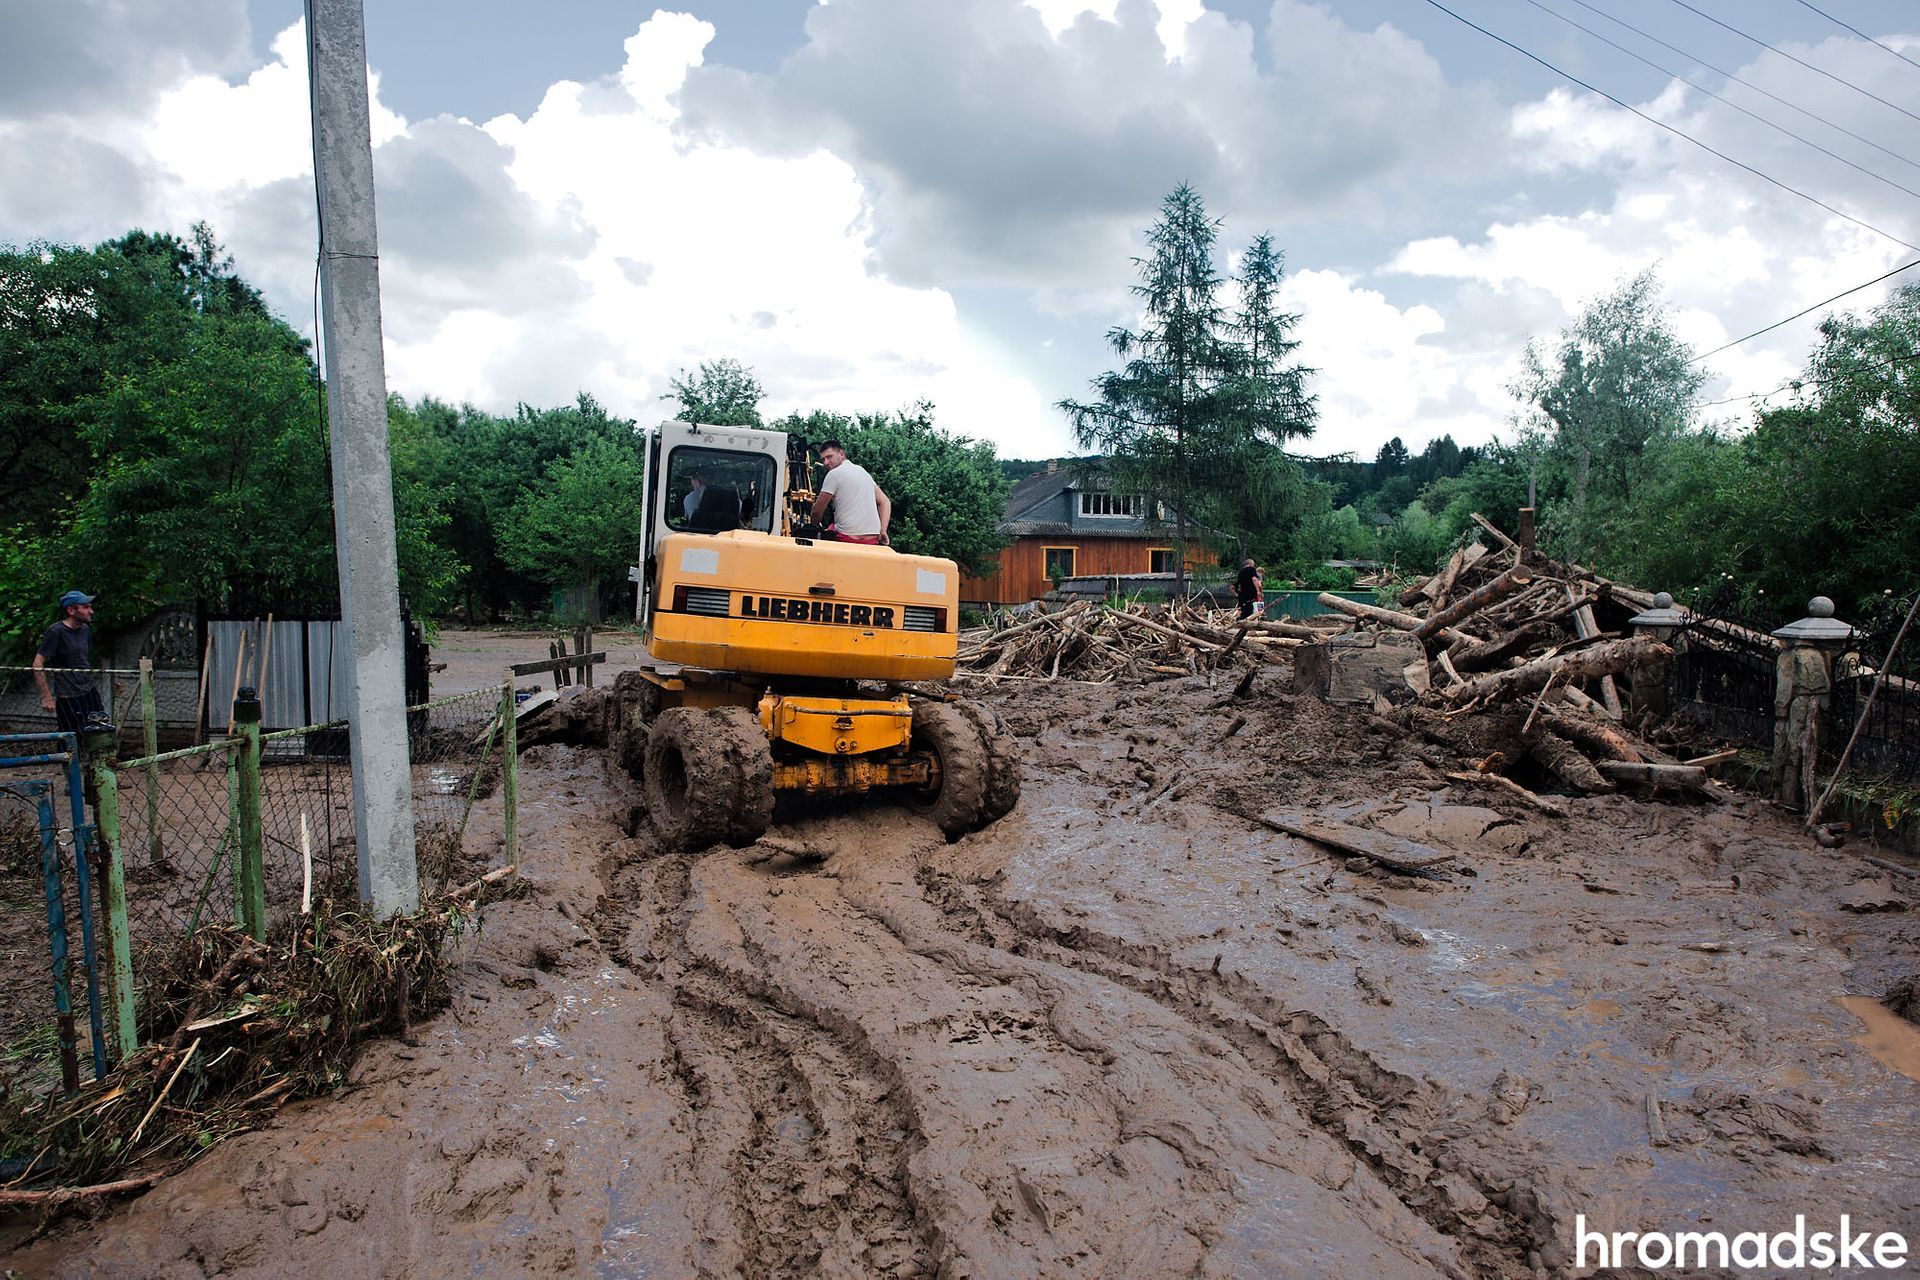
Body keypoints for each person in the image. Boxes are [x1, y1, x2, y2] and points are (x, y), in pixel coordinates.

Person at [34, 590, 110, 736]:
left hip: (89, 691)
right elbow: (38, 663)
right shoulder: (56, 632)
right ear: (71, 610)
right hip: (68, 696)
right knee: (71, 738)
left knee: (98, 731)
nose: (91, 611)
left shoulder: (85, 629)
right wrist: (46, 696)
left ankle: (94, 759)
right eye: (86, 607)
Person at [811, 440, 891, 545]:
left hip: (846, 537)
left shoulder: (834, 474)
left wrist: (813, 529)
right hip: (872, 538)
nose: (826, 462)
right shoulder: (863, 472)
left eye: (829, 457)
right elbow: (885, 501)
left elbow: (817, 511)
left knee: (829, 530)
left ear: (841, 454)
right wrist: (883, 530)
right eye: (823, 459)